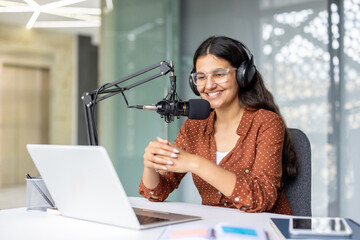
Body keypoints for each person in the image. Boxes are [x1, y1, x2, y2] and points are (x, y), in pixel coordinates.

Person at [138, 36, 297, 215]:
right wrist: (151, 163)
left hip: (263, 230)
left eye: (219, 74)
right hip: (215, 228)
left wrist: (195, 163)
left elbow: (261, 199)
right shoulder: (195, 126)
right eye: (201, 77)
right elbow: (156, 193)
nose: (209, 85)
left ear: (242, 75)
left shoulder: (266, 122)